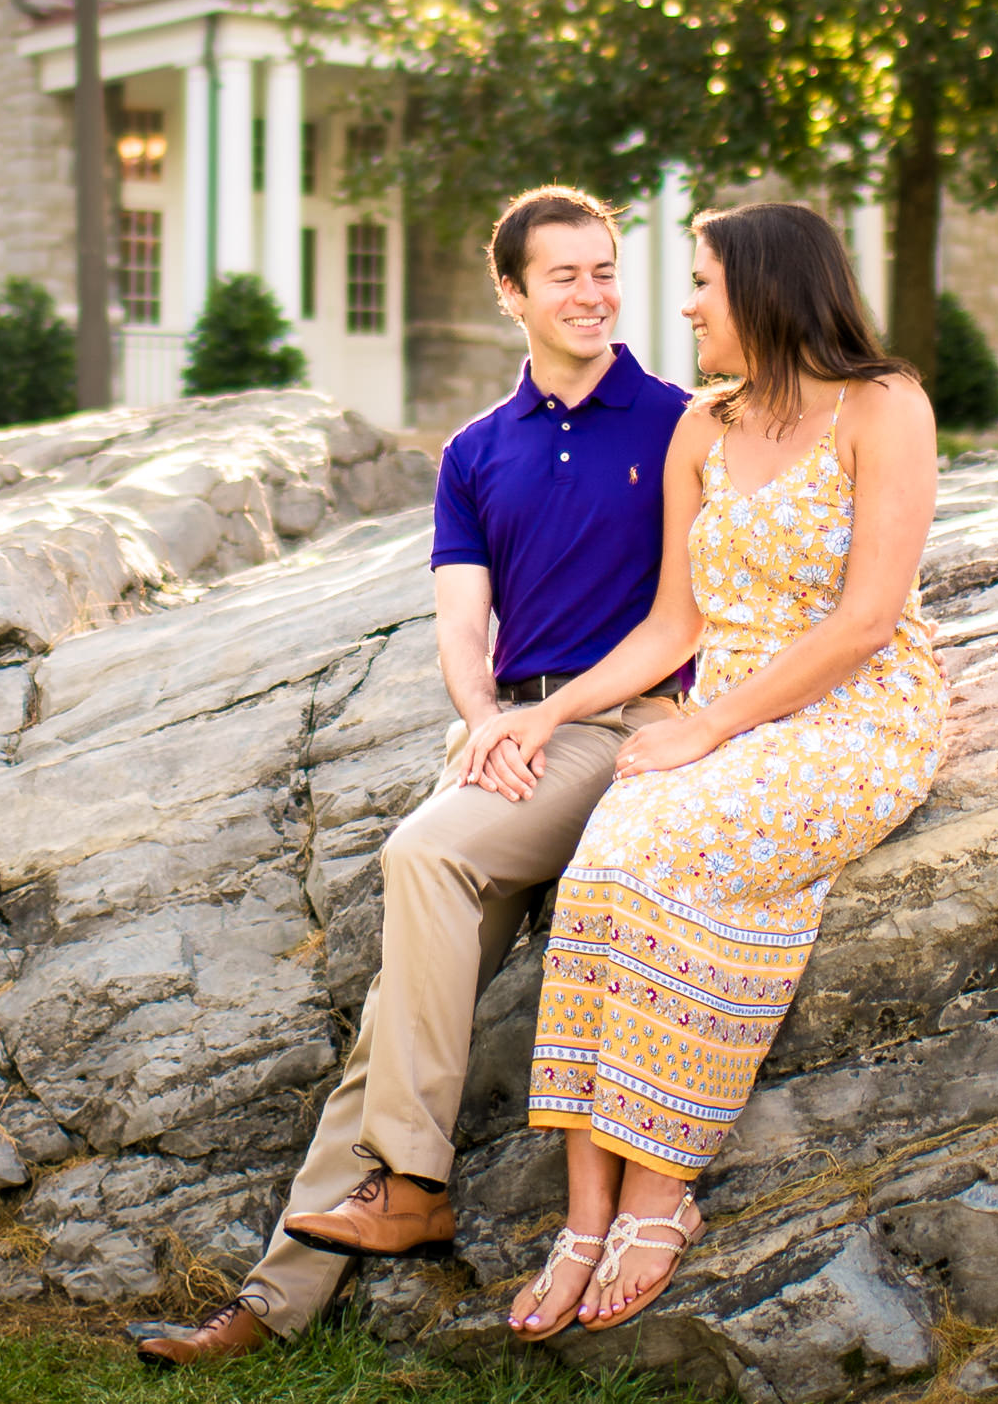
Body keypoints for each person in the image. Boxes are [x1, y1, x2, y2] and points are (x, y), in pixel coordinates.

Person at [131, 184, 698, 1369]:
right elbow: (460, 621)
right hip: (516, 739)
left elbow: (682, 619)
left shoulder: (677, 421)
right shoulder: (474, 452)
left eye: (605, 271)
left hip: (619, 731)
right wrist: (486, 718)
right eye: (565, 277)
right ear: (512, 294)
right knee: (392, 1028)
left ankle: (417, 1177)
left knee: (424, 848)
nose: (593, 295)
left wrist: (545, 727)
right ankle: (277, 1304)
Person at [478, 199, 947, 1339]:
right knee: (598, 874)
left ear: (768, 288)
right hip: (727, 715)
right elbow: (668, 627)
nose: (681, 306)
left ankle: (659, 1195)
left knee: (665, 860)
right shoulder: (703, 425)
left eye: (701, 284)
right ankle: (585, 1219)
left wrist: (709, 726)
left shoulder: (883, 406)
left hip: (853, 716)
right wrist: (547, 716)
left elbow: (867, 619)